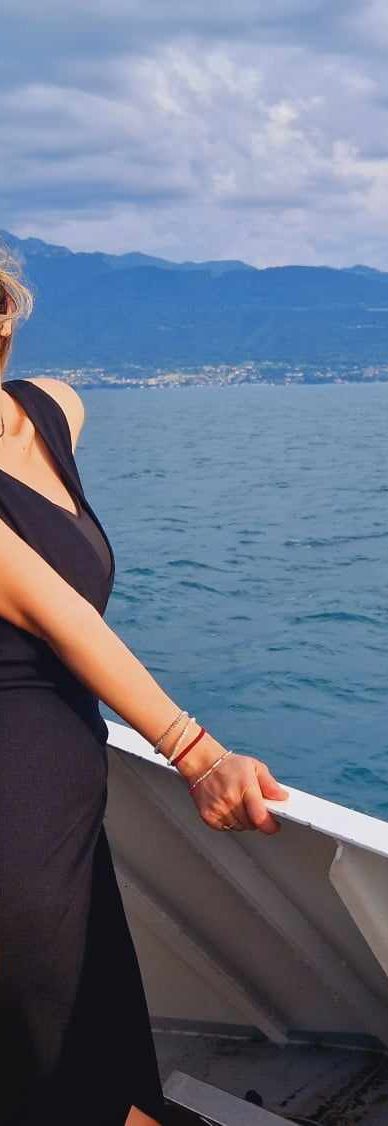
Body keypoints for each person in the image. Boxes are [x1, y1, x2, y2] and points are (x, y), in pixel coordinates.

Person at [0, 246, 289, 1126]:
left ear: (5, 313)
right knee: (50, 1053)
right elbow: (60, 614)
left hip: (62, 784)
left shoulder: (52, 411)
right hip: (11, 805)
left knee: (95, 1035)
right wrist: (198, 754)